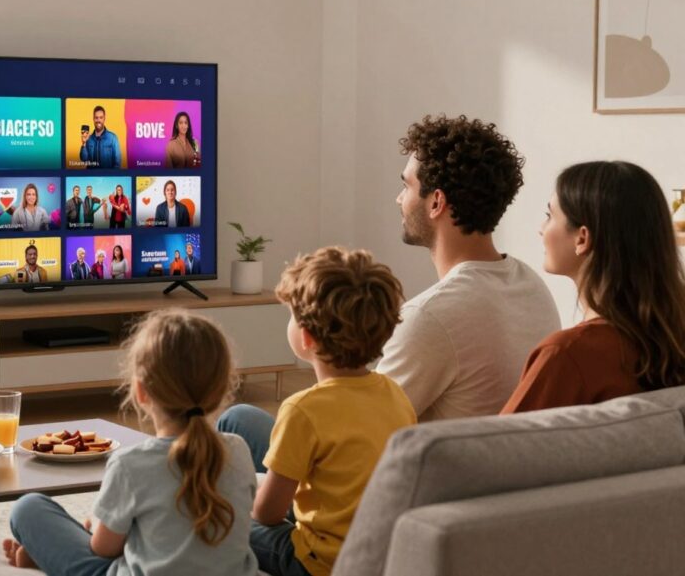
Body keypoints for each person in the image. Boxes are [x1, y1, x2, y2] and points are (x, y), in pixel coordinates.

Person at [3, 309, 258, 576]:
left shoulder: (130, 465)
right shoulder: (238, 449)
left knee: (28, 507)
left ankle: (48, 557)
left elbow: (103, 549)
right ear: (219, 390)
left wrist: (98, 526)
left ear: (140, 391)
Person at [218, 247, 416, 576]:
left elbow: (267, 514)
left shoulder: (303, 410)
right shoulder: (395, 394)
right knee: (238, 417)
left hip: (318, 562)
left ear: (306, 337)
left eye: (292, 315)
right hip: (375, 551)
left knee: (218, 517)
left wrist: (242, 496)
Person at [377, 114, 560, 421]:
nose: (399, 199)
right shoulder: (531, 285)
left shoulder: (429, 317)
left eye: (406, 186)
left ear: (436, 202)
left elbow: (357, 429)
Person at [502, 162, 685, 413]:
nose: (540, 228)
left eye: (549, 216)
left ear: (582, 238)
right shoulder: (672, 338)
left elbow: (496, 447)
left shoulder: (566, 354)